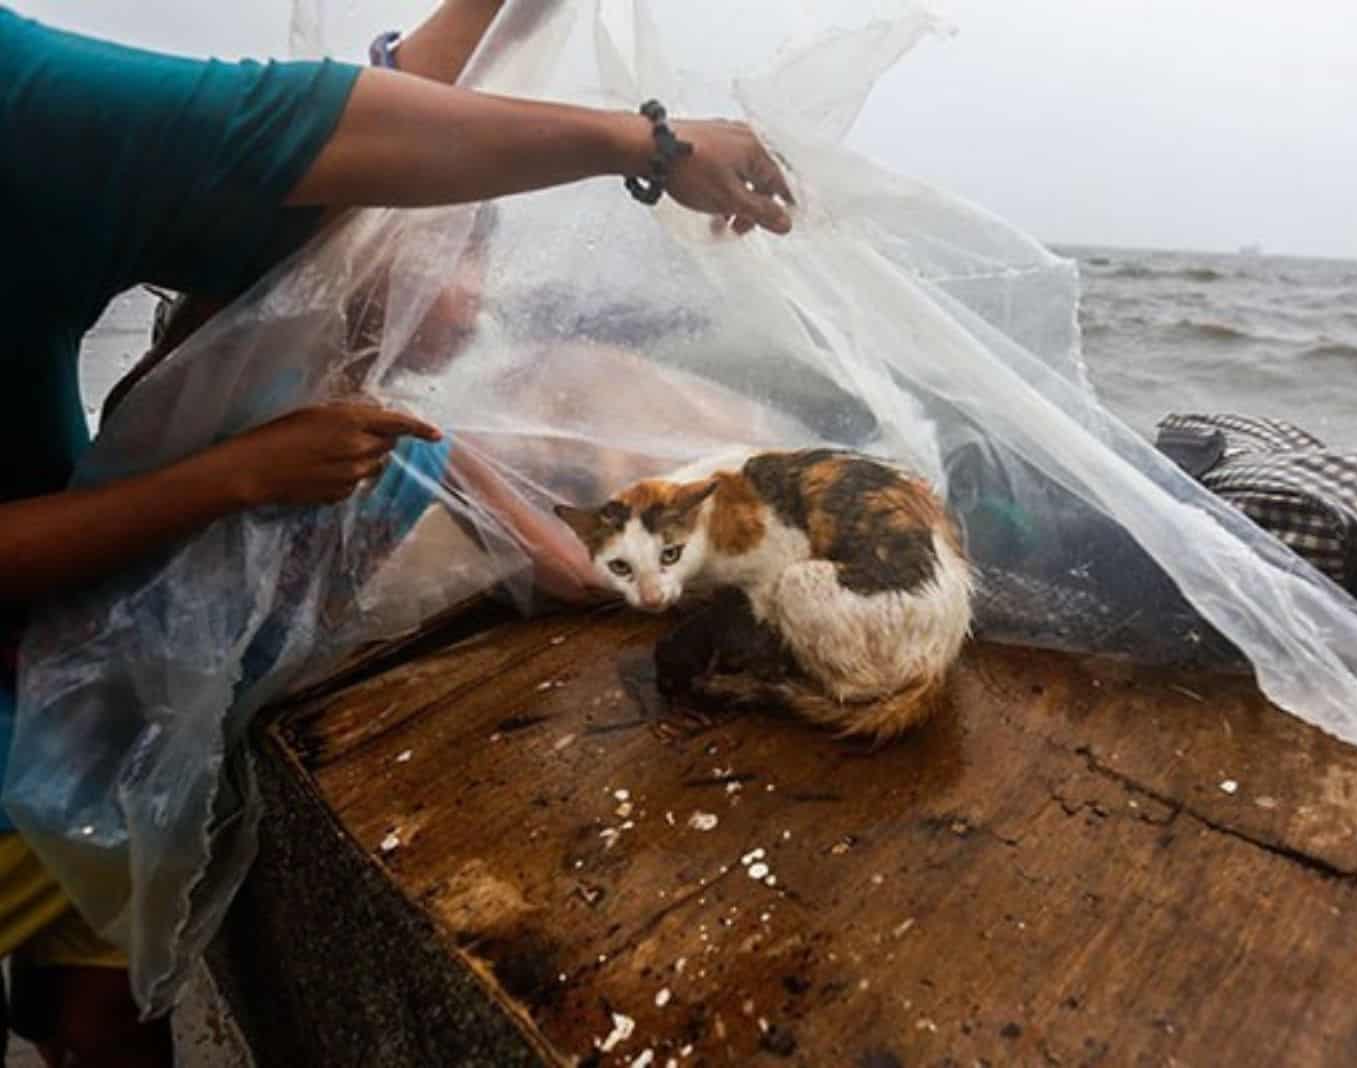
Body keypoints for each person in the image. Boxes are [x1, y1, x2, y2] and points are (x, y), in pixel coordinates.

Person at [0, 0, 793, 1062]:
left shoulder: (261, 354)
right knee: (106, 997)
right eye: (446, 262)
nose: (466, 297)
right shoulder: (325, 418)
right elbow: (564, 567)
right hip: (83, 744)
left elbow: (350, 135)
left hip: (92, 709)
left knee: (105, 992)